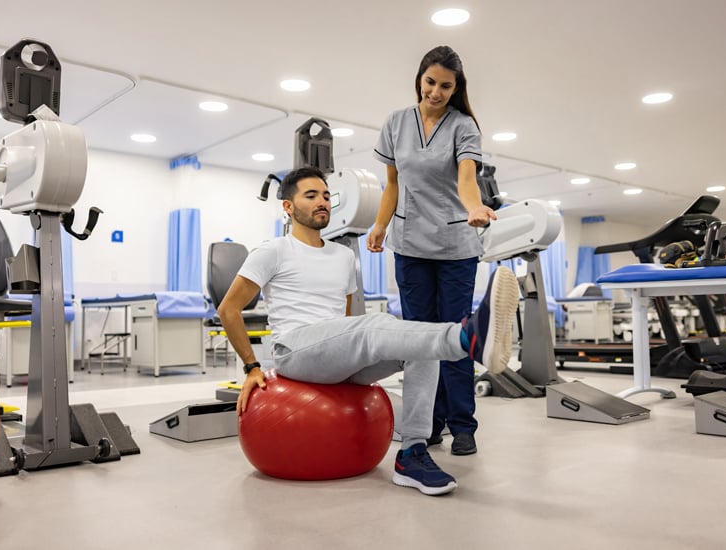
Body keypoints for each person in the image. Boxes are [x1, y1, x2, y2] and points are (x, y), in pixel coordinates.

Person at [218, 166, 517, 496]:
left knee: (420, 347)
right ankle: (467, 338)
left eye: (327, 196)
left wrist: (352, 343)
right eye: (311, 195)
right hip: (294, 352)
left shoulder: (344, 256)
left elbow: (346, 318)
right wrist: (251, 367)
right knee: (380, 326)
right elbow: (228, 309)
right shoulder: (272, 250)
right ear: (288, 206)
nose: (323, 202)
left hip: (333, 354)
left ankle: (413, 454)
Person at [368, 45, 497, 456]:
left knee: (453, 335)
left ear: (456, 88)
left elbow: (466, 178)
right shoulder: (395, 122)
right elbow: (392, 184)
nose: (435, 92)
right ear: (419, 78)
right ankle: (426, 424)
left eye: (445, 86)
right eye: (430, 82)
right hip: (409, 247)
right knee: (419, 340)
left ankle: (463, 425)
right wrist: (380, 224)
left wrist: (474, 206)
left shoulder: (464, 127)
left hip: (455, 246)